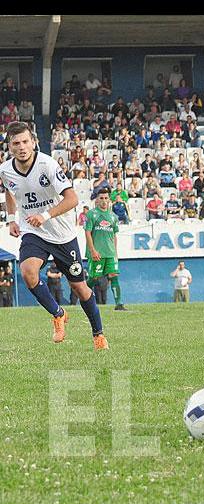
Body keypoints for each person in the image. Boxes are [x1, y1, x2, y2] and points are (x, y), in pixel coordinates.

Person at [0, 121, 108, 349]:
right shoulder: (5, 169)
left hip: (62, 233)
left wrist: (45, 215)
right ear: (10, 147)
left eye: (25, 141)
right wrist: (12, 219)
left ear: (33, 142)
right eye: (16, 143)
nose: (22, 147)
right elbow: (10, 191)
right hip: (34, 231)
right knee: (28, 272)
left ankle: (98, 333)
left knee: (79, 287)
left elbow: (72, 199)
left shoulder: (47, 164)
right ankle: (58, 314)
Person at [85, 188, 127, 311]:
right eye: (101, 198)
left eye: (106, 198)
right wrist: (92, 250)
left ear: (109, 200)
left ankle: (119, 304)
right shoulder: (92, 214)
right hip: (97, 252)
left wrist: (115, 252)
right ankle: (81, 295)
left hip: (110, 253)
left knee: (114, 274)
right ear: (97, 200)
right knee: (94, 278)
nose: (104, 201)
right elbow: (87, 233)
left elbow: (114, 235)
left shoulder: (113, 216)